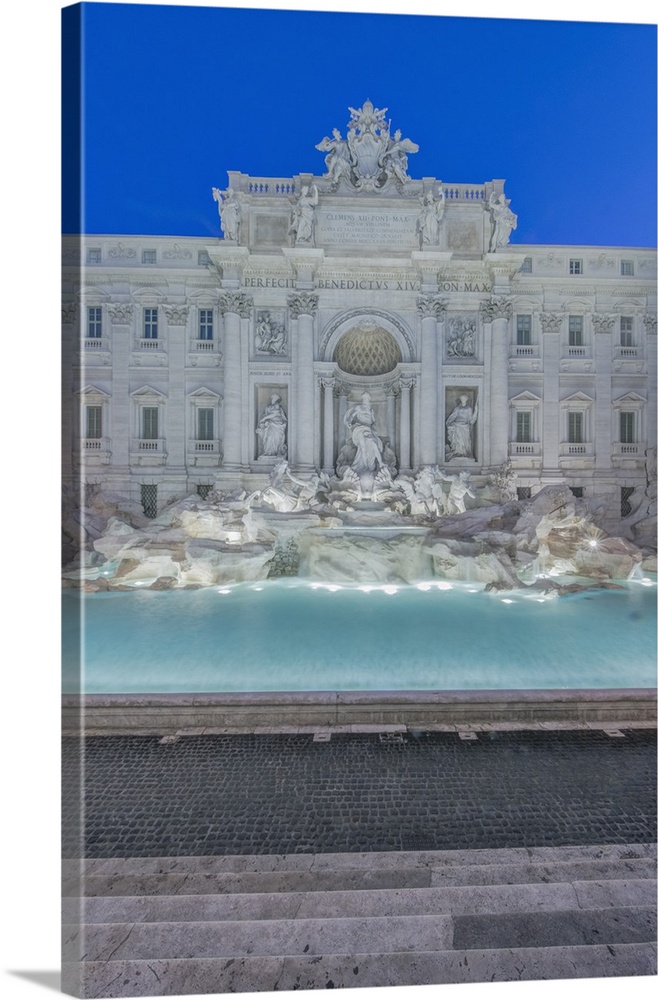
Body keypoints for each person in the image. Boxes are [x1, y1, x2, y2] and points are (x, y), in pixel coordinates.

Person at [343, 392, 385, 476]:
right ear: (363, 399)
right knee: (362, 447)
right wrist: (349, 422)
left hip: (368, 430)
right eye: (365, 398)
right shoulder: (359, 408)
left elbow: (373, 422)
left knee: (373, 444)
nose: (367, 400)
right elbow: (352, 416)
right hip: (359, 429)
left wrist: (375, 432)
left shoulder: (370, 410)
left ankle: (380, 464)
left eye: (368, 399)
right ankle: (365, 467)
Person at [446, 394, 478, 460]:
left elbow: (471, 419)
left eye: (464, 399)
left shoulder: (469, 409)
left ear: (466, 400)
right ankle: (458, 453)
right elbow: (452, 416)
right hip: (457, 426)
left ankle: (464, 453)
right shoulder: (457, 408)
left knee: (465, 441)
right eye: (462, 399)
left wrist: (476, 411)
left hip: (465, 427)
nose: (463, 400)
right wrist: (449, 423)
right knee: (458, 441)